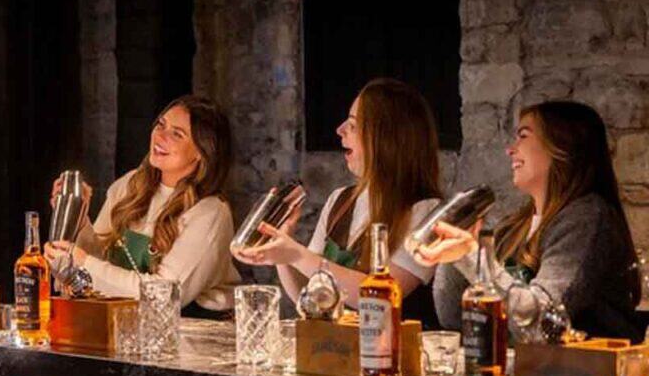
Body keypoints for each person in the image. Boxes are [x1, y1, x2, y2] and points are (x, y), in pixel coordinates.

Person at [417, 101, 641, 341]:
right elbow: (453, 318)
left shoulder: (588, 218)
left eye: (523, 136)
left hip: (585, 374)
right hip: (524, 373)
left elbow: (544, 324)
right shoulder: (514, 226)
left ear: (561, 147)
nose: (510, 150)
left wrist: (473, 258)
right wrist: (456, 259)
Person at [232, 78, 443, 326]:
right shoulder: (340, 200)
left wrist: (296, 254)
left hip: (395, 355)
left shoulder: (425, 211)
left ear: (386, 139)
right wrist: (283, 255)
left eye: (352, 126)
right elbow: (309, 295)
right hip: (338, 351)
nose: (340, 130)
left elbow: (382, 299)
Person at [44, 95, 241, 318]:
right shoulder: (130, 184)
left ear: (201, 152)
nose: (160, 136)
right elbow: (103, 262)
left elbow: (165, 294)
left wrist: (82, 263)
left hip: (194, 329)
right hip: (129, 322)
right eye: (161, 125)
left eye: (177, 134)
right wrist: (79, 220)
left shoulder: (210, 211)